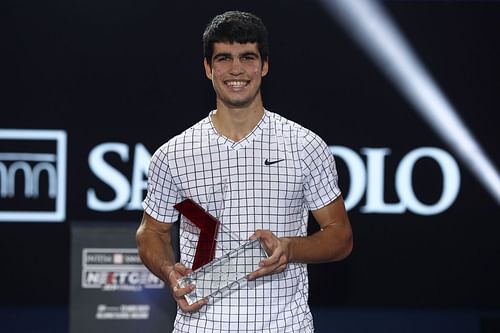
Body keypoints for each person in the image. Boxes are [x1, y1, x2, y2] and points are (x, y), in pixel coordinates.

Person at [136, 10, 353, 333]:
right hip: (200, 326)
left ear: (264, 65)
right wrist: (169, 270)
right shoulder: (173, 154)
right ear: (208, 68)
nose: (236, 69)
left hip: (284, 326)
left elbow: (340, 236)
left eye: (247, 57)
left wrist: (289, 248)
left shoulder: (305, 145)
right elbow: (151, 233)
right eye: (223, 58)